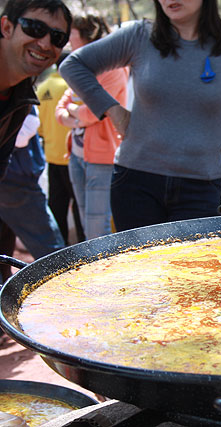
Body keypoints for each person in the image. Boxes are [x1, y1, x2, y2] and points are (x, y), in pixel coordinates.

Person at [59, 0, 221, 232]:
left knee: (192, 269)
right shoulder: (139, 35)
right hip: (135, 184)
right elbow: (73, 66)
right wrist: (113, 111)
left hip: (200, 189)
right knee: (141, 269)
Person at [56, 14, 128, 240]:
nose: (67, 38)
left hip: (101, 157)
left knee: (97, 226)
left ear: (87, 33)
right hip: (77, 155)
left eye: (71, 32)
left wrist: (75, 114)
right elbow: (61, 108)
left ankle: (102, 273)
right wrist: (78, 114)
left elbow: (94, 111)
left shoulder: (113, 69)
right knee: (86, 222)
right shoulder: (78, 67)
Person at [0, 0, 71, 180]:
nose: (45, 44)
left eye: (57, 37)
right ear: (7, 27)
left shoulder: (21, 97)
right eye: (34, 28)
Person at [0, 106, 65, 282]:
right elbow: (24, 132)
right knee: (53, 254)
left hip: (12, 177)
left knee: (5, 242)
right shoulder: (13, 88)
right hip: (15, 180)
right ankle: (68, 298)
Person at [36, 52, 85, 245]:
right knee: (80, 210)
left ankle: (59, 254)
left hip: (51, 158)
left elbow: (38, 127)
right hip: (73, 158)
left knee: (57, 210)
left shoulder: (43, 87)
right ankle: (84, 254)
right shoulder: (72, 88)